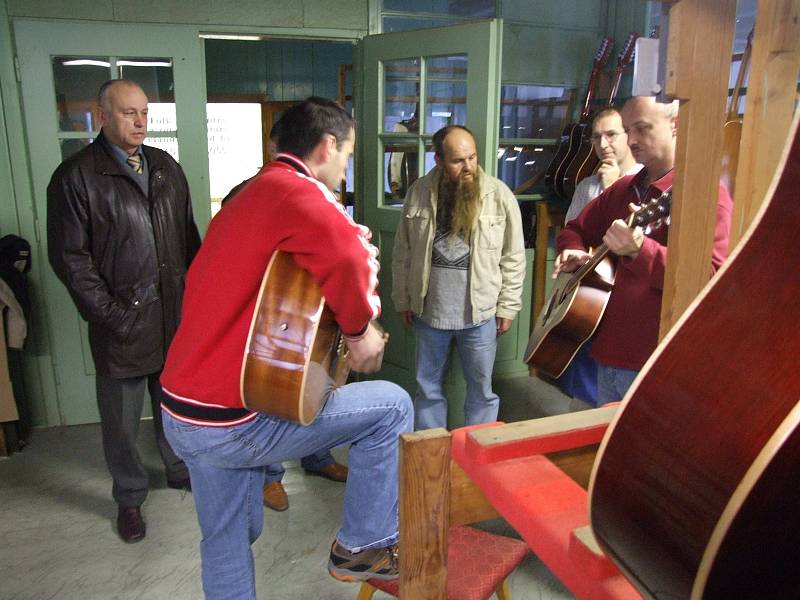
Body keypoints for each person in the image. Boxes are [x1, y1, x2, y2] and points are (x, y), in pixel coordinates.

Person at [159, 97, 413, 598]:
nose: (345, 168)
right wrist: (361, 334)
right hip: (231, 421)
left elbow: (288, 282)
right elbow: (345, 257)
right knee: (392, 407)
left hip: (180, 413)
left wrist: (344, 250)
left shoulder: (251, 194)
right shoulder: (301, 191)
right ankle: (363, 544)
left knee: (226, 538)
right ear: (327, 146)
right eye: (347, 154)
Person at [47, 79, 200, 543]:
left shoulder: (165, 168)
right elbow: (71, 261)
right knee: (120, 422)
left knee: (174, 407)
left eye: (145, 113)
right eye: (128, 113)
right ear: (102, 116)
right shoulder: (76, 176)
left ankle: (177, 468)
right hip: (122, 325)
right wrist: (114, 316)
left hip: (173, 318)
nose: (140, 122)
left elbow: (189, 243)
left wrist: (195, 304)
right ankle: (130, 498)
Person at [554, 96, 733, 404]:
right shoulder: (622, 191)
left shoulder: (706, 196)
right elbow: (575, 230)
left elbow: (708, 280)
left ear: (675, 125)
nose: (631, 139)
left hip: (656, 362)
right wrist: (572, 250)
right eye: (627, 129)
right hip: (604, 350)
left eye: (642, 128)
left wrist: (640, 251)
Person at [220, 120, 349, 514]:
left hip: (315, 311)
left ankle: (317, 457)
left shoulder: (322, 195)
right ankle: (270, 476)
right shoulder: (244, 197)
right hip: (272, 316)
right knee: (271, 395)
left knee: (319, 384)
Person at [392, 125, 526, 430]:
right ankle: (431, 457)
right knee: (427, 390)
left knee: (481, 392)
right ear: (438, 160)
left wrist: (508, 307)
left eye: (472, 157)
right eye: (458, 160)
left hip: (480, 316)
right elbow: (403, 253)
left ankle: (474, 457)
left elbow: (513, 257)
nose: (468, 167)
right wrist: (403, 298)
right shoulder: (418, 193)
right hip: (429, 314)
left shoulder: (498, 195)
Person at [559, 106, 643, 409]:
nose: (603, 145)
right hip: (590, 299)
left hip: (625, 308)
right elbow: (572, 230)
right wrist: (571, 248)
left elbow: (629, 241)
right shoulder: (586, 186)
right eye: (597, 137)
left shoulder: (640, 186)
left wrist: (612, 189)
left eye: (611, 135)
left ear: (629, 136)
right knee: (582, 397)